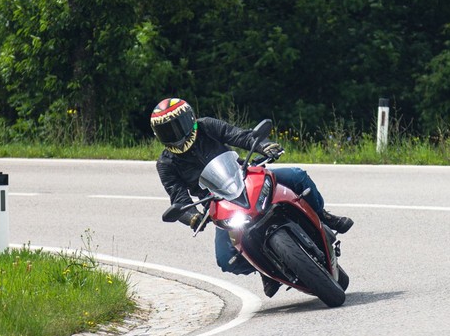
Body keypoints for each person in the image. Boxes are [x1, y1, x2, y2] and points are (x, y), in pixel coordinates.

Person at [151, 97, 353, 298]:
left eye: (178, 126)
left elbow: (238, 135)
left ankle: (323, 216)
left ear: (191, 119)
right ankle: (266, 271)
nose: (175, 134)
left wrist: (264, 146)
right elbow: (178, 197)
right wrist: (192, 217)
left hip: (243, 176)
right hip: (217, 203)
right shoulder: (166, 164)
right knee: (226, 259)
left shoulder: (206, 126)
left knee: (297, 176)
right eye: (168, 131)